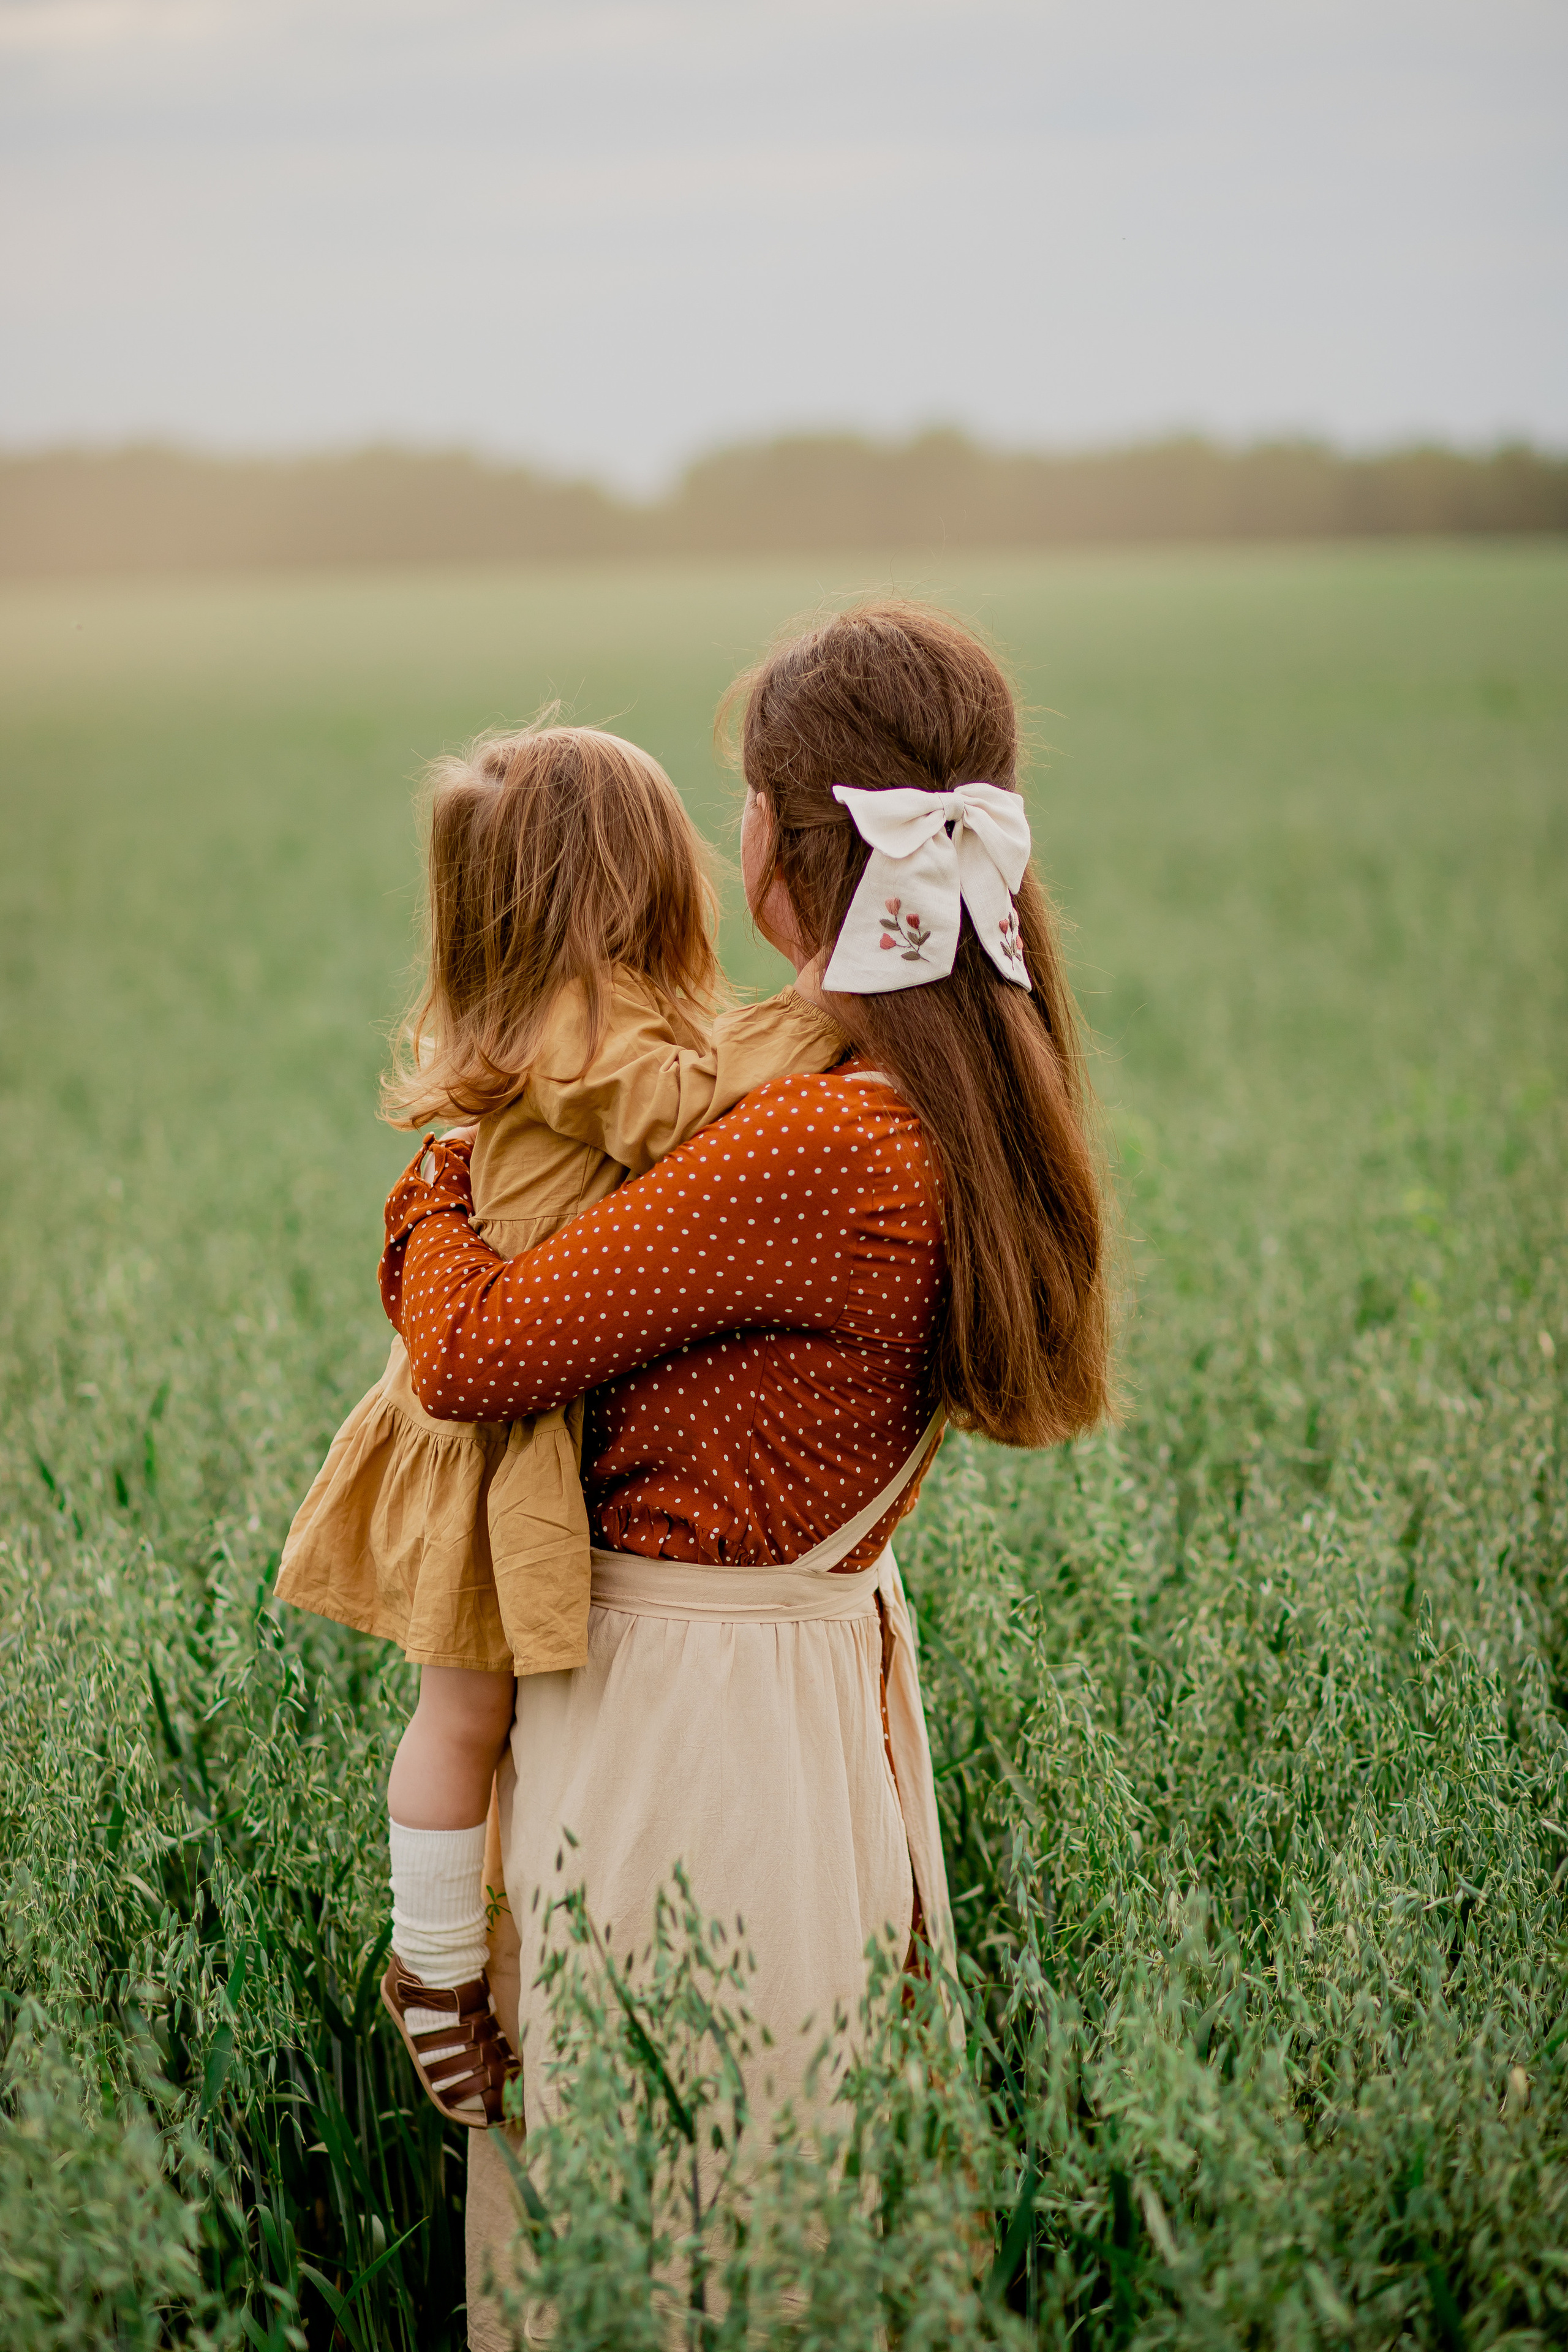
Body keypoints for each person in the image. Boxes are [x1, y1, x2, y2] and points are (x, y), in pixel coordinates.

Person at [375, 600, 1113, 2345]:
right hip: (781, 1706)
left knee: (663, 2220)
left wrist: (436, 1178)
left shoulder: (818, 1139)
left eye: (742, 804)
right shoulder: (898, 1082)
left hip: (686, 1741)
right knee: (771, 2208)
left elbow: (473, 1354)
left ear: (789, 847)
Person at [276, 723, 843, 2125]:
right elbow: (696, 1120)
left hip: (518, 1404)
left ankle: (475, 1948)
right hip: (488, 1439)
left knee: (492, 1720)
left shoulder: (587, 1007)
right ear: (633, 878)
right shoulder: (582, 1021)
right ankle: (434, 1966)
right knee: (465, 1710)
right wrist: (839, 1005)